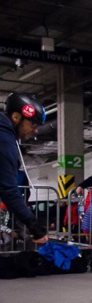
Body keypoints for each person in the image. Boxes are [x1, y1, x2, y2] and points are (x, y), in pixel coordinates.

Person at [0, 93, 48, 244]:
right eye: (33, 124)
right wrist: (35, 227)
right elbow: (9, 191)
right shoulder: (5, 141)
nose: (34, 130)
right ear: (16, 117)